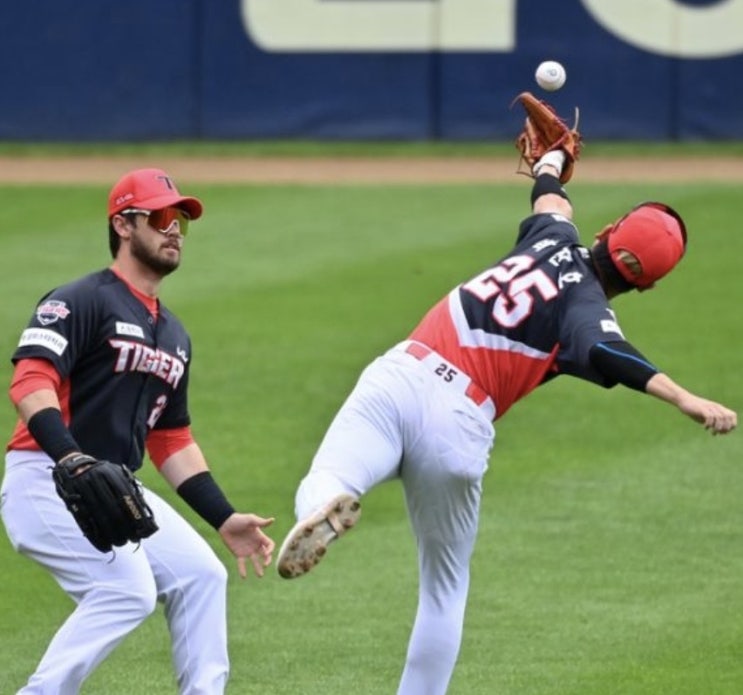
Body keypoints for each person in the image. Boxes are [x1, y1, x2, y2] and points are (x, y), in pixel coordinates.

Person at [275, 148, 737, 695]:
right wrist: (683, 398)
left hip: (402, 373)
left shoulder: (553, 236)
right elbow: (611, 352)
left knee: (331, 473)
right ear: (646, 285)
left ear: (609, 230)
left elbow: (551, 196)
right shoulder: (588, 309)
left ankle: (322, 509)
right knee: (444, 589)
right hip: (460, 423)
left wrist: (554, 158)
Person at [1, 168, 275, 695]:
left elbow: (171, 440)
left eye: (181, 221)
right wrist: (71, 458)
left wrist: (223, 518)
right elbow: (30, 382)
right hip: (44, 477)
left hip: (117, 487)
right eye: (162, 216)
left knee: (202, 576)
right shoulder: (80, 300)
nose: (174, 229)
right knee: (125, 590)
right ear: (123, 225)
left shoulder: (173, 334)